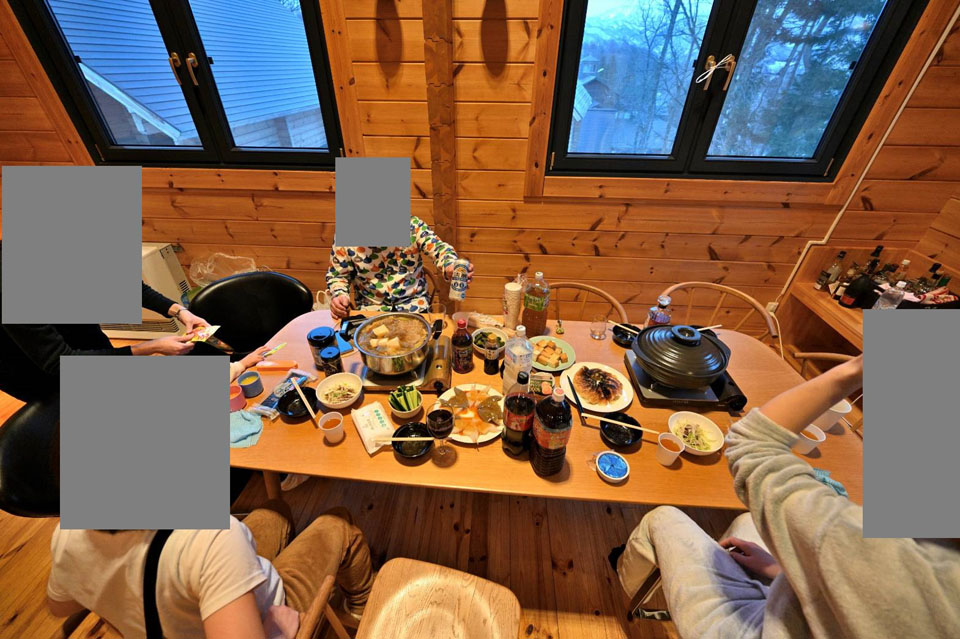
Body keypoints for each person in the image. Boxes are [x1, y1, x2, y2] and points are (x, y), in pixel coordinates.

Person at [615, 355, 960, 638]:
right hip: (805, 616)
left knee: (662, 517)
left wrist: (859, 367)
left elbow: (751, 441)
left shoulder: (885, 555)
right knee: (747, 521)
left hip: (756, 629)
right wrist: (780, 569)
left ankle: (625, 587)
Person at [46, 501, 374, 639]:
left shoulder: (66, 533)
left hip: (185, 606)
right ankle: (359, 610)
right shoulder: (212, 537)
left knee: (273, 510)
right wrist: (277, 632)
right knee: (337, 522)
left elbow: (60, 605)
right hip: (275, 609)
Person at [325, 215, 474, 319]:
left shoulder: (412, 226)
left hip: (415, 306)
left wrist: (450, 265)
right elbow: (338, 275)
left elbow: (440, 249)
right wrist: (339, 294)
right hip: (370, 311)